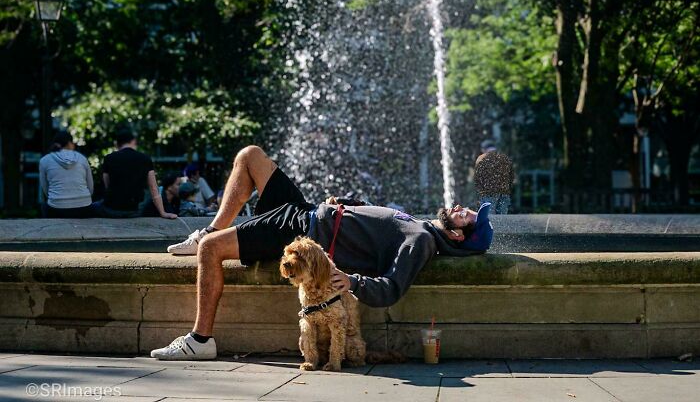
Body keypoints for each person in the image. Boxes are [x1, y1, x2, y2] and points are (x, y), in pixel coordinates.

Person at [150, 145, 493, 361]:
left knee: (211, 252)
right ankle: (209, 230)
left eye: (467, 216)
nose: (461, 207)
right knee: (250, 156)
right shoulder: (420, 224)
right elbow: (372, 225)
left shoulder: (422, 240)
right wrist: (346, 205)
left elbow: (392, 288)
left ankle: (200, 340)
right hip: (308, 211)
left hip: (303, 230)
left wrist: (352, 281)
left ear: (459, 236)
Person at [98, 126, 178, 219]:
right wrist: (163, 212)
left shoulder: (109, 158)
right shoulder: (145, 159)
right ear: (133, 141)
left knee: (94, 206)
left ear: (117, 144)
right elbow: (154, 189)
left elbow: (107, 185)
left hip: (111, 209)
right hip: (132, 210)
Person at [39, 130, 98, 218]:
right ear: (69, 143)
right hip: (84, 208)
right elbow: (91, 187)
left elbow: (45, 189)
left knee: (44, 206)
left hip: (57, 209)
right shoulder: (82, 158)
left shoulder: (44, 160)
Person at [473, 139, 514, 214]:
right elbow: (511, 175)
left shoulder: (482, 158)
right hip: (504, 192)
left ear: (484, 149)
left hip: (489, 193)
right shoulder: (504, 157)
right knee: (502, 216)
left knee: (490, 217)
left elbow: (478, 177)